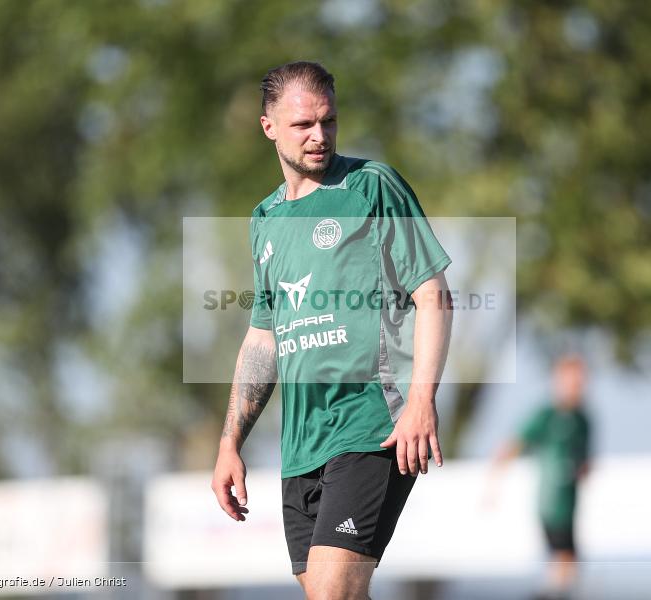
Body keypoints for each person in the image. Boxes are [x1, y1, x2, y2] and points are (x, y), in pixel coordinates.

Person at [211, 61, 453, 600]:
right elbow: (263, 340)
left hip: (371, 428)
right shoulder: (265, 220)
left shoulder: (373, 187)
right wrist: (230, 443)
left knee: (332, 595)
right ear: (268, 126)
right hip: (301, 445)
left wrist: (420, 400)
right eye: (303, 125)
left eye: (329, 121)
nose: (319, 135)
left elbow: (434, 295)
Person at [488, 355, 591, 600]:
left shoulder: (583, 420)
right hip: (551, 503)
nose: (578, 385)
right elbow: (514, 444)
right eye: (572, 380)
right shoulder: (547, 415)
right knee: (564, 560)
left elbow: (586, 460)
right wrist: (493, 483)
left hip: (571, 503)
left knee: (569, 565)